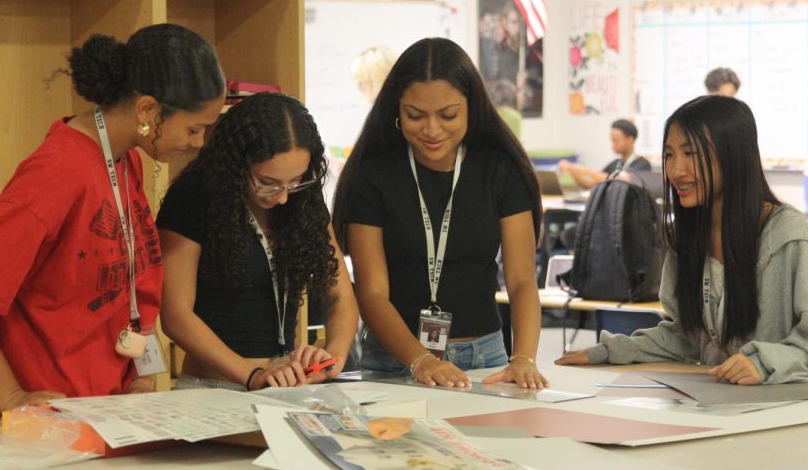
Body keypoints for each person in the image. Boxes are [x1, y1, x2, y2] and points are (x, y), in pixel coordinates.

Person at [557, 94, 808, 470]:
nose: (677, 169)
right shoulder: (685, 235)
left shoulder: (789, 237)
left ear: (732, 155)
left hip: (787, 446)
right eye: (669, 154)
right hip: (717, 437)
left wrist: (762, 361)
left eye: (692, 154)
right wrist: (606, 352)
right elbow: (683, 333)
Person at [0, 24, 227, 418]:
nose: (197, 143)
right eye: (194, 128)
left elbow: (129, 295)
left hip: (103, 412)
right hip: (47, 421)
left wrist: (139, 375)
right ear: (148, 111)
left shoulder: (126, 159)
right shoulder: (60, 171)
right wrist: (11, 397)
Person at [334, 36, 546, 391]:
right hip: (395, 362)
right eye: (415, 116)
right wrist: (422, 360)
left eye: (448, 115)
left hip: (485, 358)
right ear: (396, 110)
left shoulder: (499, 169)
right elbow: (372, 294)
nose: (432, 130)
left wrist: (523, 358)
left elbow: (522, 280)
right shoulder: (373, 175)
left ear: (471, 107)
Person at [157, 93, 356, 391]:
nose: (282, 196)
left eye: (294, 181)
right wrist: (251, 375)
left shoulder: (303, 199)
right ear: (237, 165)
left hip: (286, 386)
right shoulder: (194, 196)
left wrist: (332, 358)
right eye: (267, 183)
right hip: (213, 387)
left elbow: (341, 297)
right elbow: (175, 315)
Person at [558, 118, 650, 189]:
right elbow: (591, 184)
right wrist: (572, 172)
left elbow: (615, 180)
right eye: (612, 141)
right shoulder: (615, 163)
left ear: (630, 140)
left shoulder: (642, 165)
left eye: (616, 141)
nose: (613, 145)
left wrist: (581, 170)